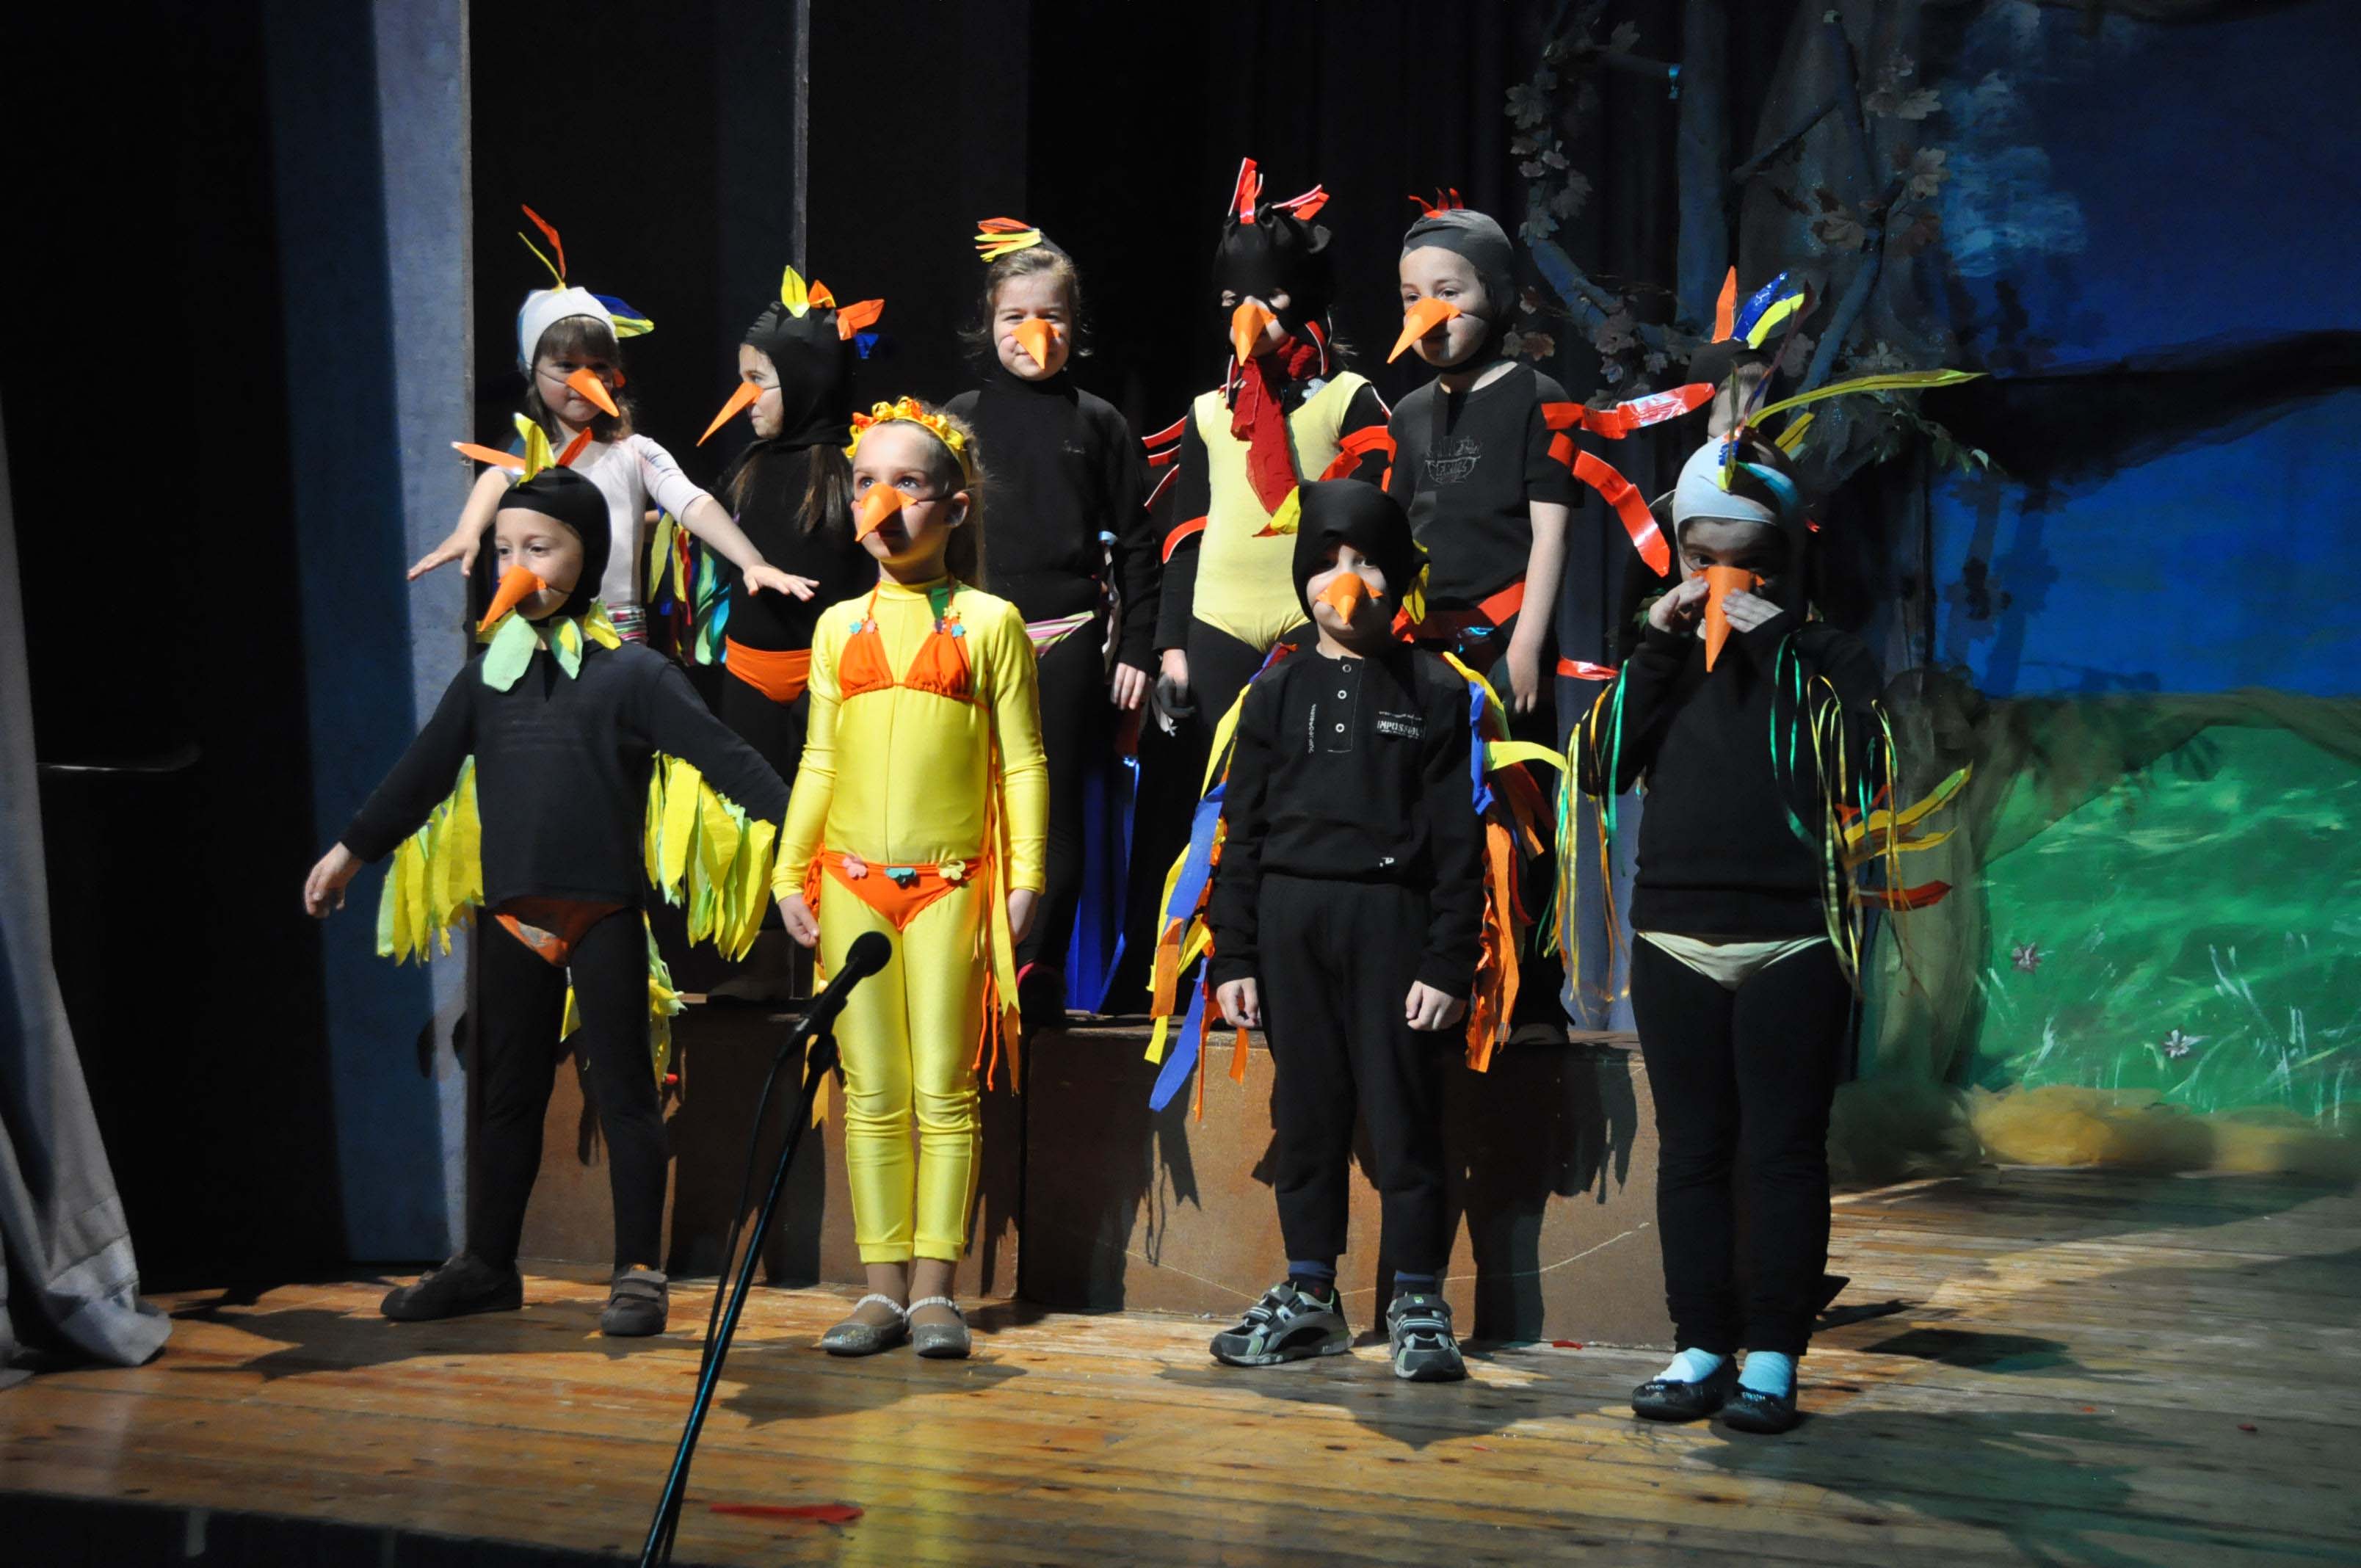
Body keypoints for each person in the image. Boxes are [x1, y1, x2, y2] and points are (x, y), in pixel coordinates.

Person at [303, 434, 790, 1339]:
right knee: (505, 1096)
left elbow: (730, 762)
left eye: (541, 547)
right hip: (512, 917)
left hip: (601, 911)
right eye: (504, 548)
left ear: (588, 557)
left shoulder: (634, 675)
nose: (519, 564)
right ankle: (487, 1264)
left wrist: (805, 850)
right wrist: (348, 853)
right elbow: (420, 775)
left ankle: (638, 1269)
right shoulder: (485, 681)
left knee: (628, 1093)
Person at [1575, 428, 1923, 1434]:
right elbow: (1598, 768)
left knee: (1782, 1152)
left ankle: (1772, 1355)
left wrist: (1774, 640)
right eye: (1701, 557)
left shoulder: (1828, 656)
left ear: (1787, 557)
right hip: (1677, 935)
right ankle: (1699, 1345)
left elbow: (1861, 769)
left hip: (1793, 939)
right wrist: (1656, 643)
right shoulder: (1665, 657)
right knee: (1692, 1151)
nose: (1723, 580)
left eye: (1748, 560)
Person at [775, 399, 1048, 1360]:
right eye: (865, 482)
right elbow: (819, 759)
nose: (883, 502)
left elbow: (1023, 762)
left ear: (955, 507)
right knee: (872, 1090)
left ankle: (937, 1290)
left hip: (951, 888)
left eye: (909, 483)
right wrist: (788, 870)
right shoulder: (837, 628)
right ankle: (880, 1289)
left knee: (943, 1085)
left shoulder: (990, 624)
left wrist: (1026, 876)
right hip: (850, 883)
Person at [1201, 480, 1483, 1382]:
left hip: (1391, 924)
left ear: (1398, 579)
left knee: (1404, 1114)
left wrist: (1448, 958)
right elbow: (1241, 834)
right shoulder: (1274, 693)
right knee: (1308, 1114)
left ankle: (1418, 1298)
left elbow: (1457, 837)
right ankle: (1310, 1291)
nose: (1346, 581)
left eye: (1366, 562)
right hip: (1292, 924)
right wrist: (1235, 954)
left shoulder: (1435, 690)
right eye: (1326, 563)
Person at [408, 206, 805, 639]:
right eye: (565, 365)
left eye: (598, 366)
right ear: (534, 372)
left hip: (617, 638)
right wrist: (468, 532)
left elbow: (692, 503)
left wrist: (752, 562)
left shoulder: (635, 454)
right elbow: (495, 480)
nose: (584, 381)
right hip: (539, 639)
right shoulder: (528, 457)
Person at [946, 219, 1156, 1025]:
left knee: (1055, 814)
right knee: (970, 808)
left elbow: (1138, 543)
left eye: (1052, 317)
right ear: (988, 322)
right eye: (1015, 316)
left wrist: (1136, 648)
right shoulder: (958, 419)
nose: (1034, 333)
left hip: (1064, 638)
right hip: (973, 638)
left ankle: (1037, 971)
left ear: (1075, 325)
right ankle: (964, 967)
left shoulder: (1097, 422)